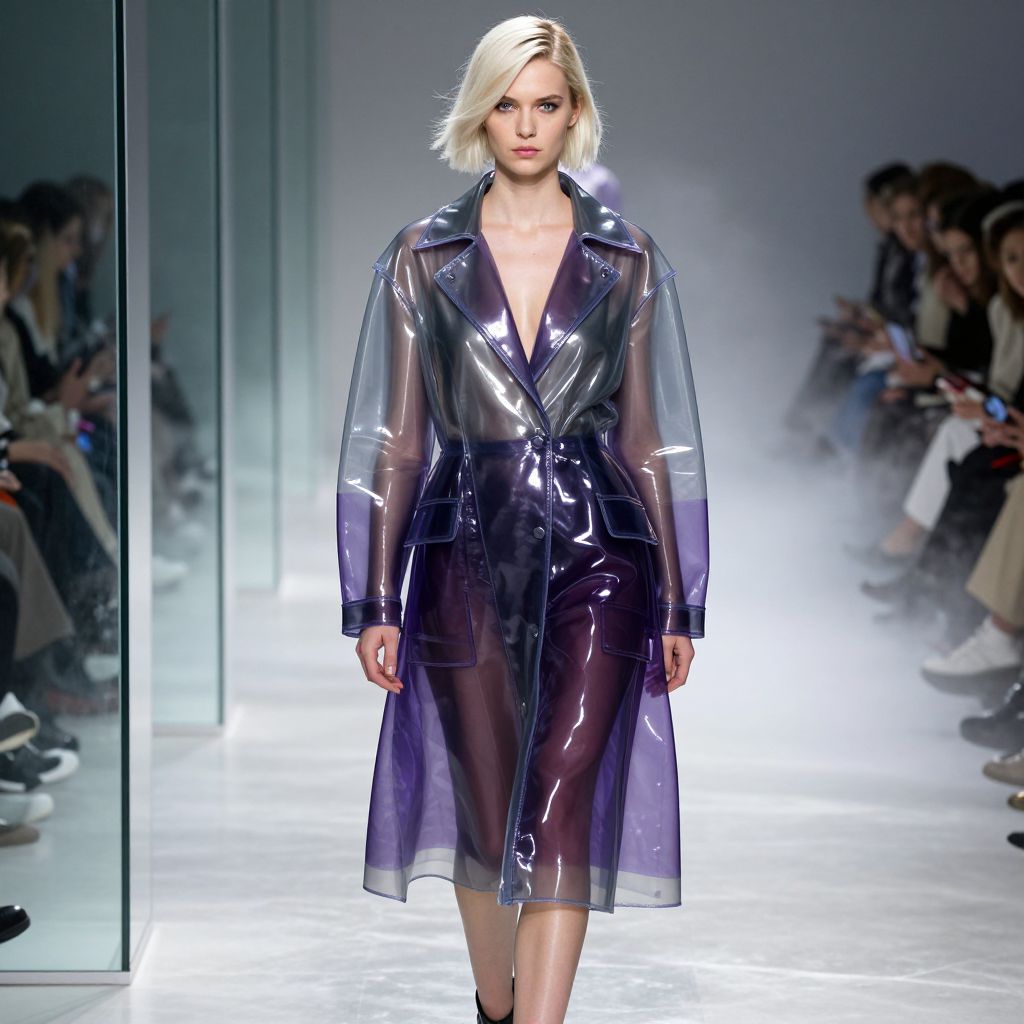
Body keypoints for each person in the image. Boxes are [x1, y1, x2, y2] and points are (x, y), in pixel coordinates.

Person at [335, 16, 709, 1024]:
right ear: (481, 113)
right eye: (508, 104)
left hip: (602, 554)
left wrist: (679, 597)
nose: (528, 125)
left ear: (575, 112)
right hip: (460, 550)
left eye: (547, 104)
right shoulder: (423, 256)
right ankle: (496, 1005)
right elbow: (395, 440)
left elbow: (651, 439)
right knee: (486, 804)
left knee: (563, 799)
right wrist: (373, 598)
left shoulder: (626, 257)